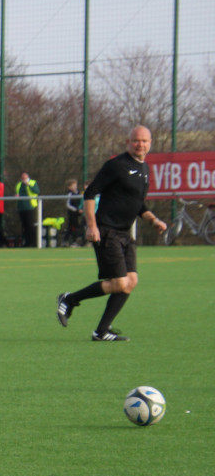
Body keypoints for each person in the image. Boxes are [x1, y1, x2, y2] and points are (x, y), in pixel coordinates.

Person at [55, 126, 167, 342]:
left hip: (125, 233)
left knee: (131, 281)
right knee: (119, 283)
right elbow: (90, 192)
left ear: (150, 143)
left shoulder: (145, 169)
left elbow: (137, 203)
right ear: (128, 142)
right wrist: (91, 225)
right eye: (136, 141)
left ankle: (101, 331)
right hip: (106, 230)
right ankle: (69, 299)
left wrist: (153, 220)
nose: (140, 144)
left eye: (144, 141)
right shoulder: (116, 165)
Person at [15, 170, 40, 247]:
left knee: (30, 225)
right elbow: (18, 193)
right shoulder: (19, 184)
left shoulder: (33, 183)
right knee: (24, 226)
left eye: (25, 177)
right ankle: (27, 242)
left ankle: (33, 242)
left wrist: (28, 185)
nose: (24, 178)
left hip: (30, 206)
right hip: (21, 207)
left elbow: (37, 191)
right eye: (22, 177)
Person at [64, 179, 82, 246]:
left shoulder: (79, 193)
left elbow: (81, 202)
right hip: (72, 214)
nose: (75, 187)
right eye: (73, 186)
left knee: (76, 227)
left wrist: (80, 209)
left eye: (75, 185)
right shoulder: (70, 194)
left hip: (78, 213)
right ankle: (68, 241)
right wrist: (76, 210)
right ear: (69, 187)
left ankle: (74, 241)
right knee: (72, 227)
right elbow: (68, 204)